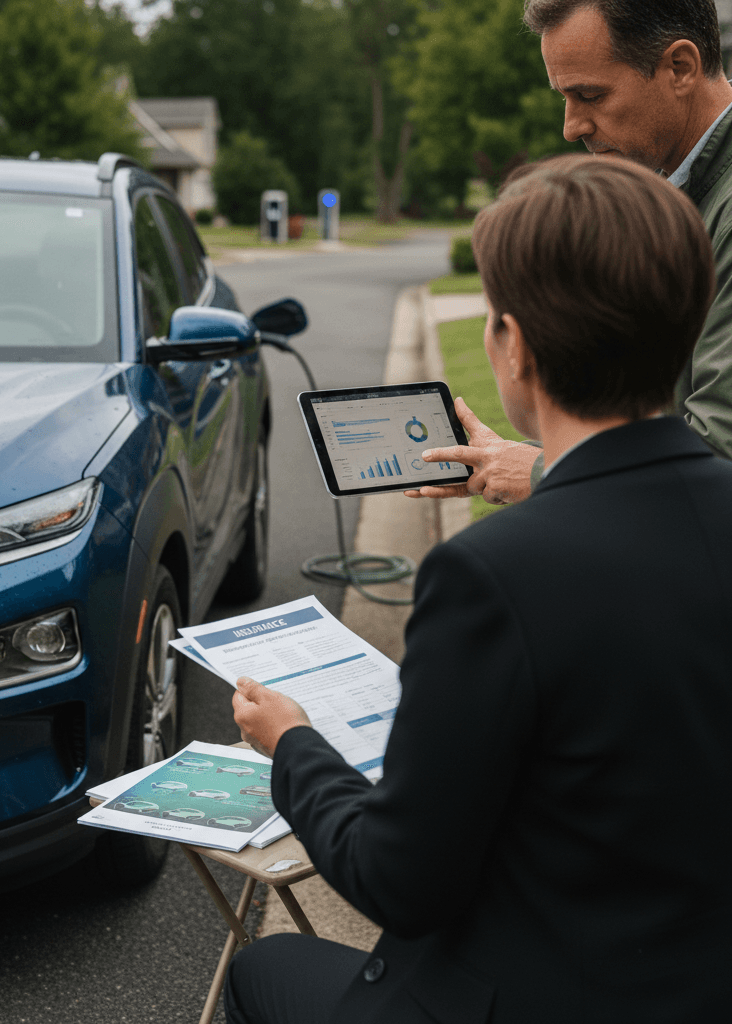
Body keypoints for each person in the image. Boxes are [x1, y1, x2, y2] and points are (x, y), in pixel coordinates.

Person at [223, 155, 732, 1024]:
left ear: (511, 345)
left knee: (260, 971)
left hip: (536, 993)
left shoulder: (494, 575)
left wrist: (295, 747)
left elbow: (399, 881)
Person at [406, 0, 732, 507]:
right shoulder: (685, 191)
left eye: (589, 94)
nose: (572, 126)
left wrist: (540, 471)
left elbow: (717, 458)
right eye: (565, 97)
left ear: (680, 68)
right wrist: (522, 460)